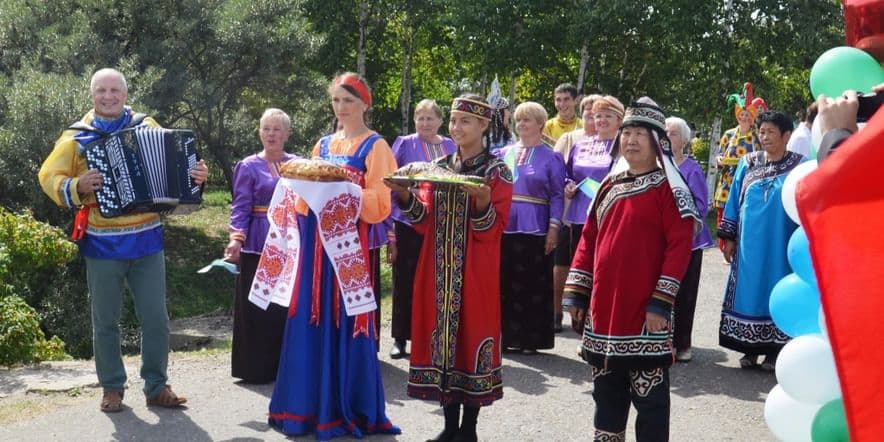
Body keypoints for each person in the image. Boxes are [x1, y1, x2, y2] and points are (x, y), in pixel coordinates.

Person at [38, 68, 208, 412]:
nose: (108, 96)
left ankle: (157, 385)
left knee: (157, 319)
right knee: (105, 321)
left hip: (147, 240)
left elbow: (178, 168)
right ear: (92, 95)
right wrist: (77, 186)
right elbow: (47, 175)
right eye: (101, 90)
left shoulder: (149, 126)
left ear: (125, 94)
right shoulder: (77, 136)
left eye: (115, 90)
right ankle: (112, 388)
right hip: (102, 244)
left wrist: (196, 177)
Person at [257, 72, 400, 439]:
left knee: (348, 320)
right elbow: (307, 197)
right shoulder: (322, 145)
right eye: (336, 100)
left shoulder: (376, 146)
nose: (341, 108)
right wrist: (295, 189)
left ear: (364, 103)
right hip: (315, 248)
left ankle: (348, 407)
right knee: (309, 316)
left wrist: (346, 194)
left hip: (351, 248)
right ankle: (304, 407)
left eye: (348, 101)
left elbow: (382, 202)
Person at [563, 99, 697, 441]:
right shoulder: (610, 185)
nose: (632, 140)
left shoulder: (670, 189)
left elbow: (679, 249)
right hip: (604, 314)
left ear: (658, 142)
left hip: (644, 314)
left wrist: (660, 303)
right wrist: (577, 293)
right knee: (606, 398)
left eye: (641, 133)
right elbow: (588, 240)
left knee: (651, 404)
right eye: (627, 133)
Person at [385, 94, 513, 442]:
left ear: (484, 126)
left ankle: (469, 430)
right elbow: (423, 220)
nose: (456, 128)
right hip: (436, 269)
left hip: (475, 273)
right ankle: (449, 428)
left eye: (465, 121)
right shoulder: (438, 166)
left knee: (471, 339)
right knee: (442, 342)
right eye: (454, 121)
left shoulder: (496, 170)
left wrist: (484, 201)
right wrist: (404, 195)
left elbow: (494, 229)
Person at [718, 110, 805, 372]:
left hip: (782, 242)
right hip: (749, 244)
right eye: (762, 131)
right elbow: (734, 199)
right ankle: (748, 347)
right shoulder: (749, 162)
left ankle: (773, 352)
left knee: (778, 288)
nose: (764, 137)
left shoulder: (800, 165)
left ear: (787, 136)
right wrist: (728, 236)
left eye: (771, 132)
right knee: (749, 288)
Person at [225, 108, 297, 383]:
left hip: (290, 242)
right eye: (266, 128)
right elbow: (240, 206)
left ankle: (284, 367)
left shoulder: (298, 164)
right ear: (259, 132)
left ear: (287, 133)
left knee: (284, 305)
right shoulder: (248, 166)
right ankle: (254, 368)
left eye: (277, 129)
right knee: (256, 304)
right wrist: (235, 238)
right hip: (257, 242)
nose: (271, 134)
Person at [388, 99, 457, 359]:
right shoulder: (405, 144)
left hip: (440, 221)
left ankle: (431, 336)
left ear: (440, 121)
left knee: (436, 280)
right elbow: (392, 180)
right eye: (420, 118)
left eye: (430, 118)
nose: (425, 123)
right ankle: (400, 338)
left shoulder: (451, 145)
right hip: (408, 221)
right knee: (405, 280)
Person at [498, 101, 566, 354]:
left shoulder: (552, 157)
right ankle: (506, 335)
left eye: (527, 119)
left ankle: (531, 339)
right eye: (519, 119)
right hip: (506, 224)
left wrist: (554, 228)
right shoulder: (504, 153)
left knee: (533, 283)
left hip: (537, 225)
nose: (522, 124)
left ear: (540, 124)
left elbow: (558, 195)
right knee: (505, 282)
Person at [559, 96, 624, 331]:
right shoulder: (581, 144)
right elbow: (567, 173)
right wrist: (567, 184)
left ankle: (600, 323)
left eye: (608, 115)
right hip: (579, 216)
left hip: (609, 217)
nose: (602, 120)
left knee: (603, 271)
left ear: (619, 120)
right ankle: (580, 323)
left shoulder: (623, 146)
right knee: (580, 270)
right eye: (598, 115)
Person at [665, 117, 714, 362]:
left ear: (684, 140)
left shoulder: (692, 168)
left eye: (673, 133)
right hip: (660, 238)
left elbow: (701, 205)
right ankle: (661, 340)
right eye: (664, 132)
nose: (667, 136)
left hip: (688, 239)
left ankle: (682, 343)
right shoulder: (658, 164)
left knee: (685, 292)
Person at [552, 94, 601, 332]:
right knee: (563, 263)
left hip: (599, 213)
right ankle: (557, 310)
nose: (592, 116)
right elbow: (559, 171)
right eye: (588, 111)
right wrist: (567, 184)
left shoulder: (614, 142)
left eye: (597, 111)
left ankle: (589, 318)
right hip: (570, 212)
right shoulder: (571, 138)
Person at [713, 83, 765, 253]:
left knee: (743, 214)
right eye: (741, 114)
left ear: (752, 117)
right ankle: (723, 248)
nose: (744, 118)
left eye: (747, 115)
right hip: (727, 181)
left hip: (746, 181)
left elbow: (762, 157)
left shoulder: (756, 137)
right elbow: (719, 155)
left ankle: (739, 247)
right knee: (723, 215)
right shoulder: (728, 134)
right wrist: (720, 159)